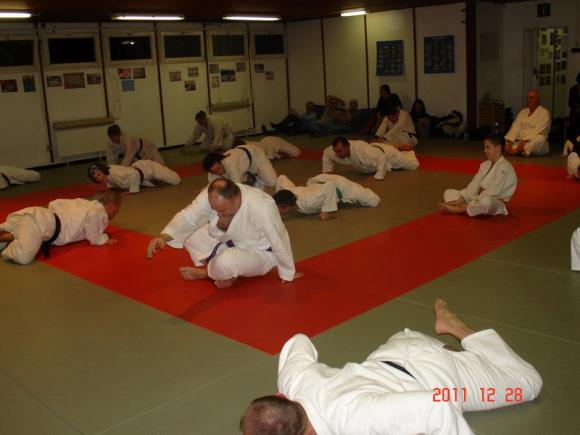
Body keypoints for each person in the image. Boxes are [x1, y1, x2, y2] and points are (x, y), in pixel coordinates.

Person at [240, 298, 542, 435]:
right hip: (397, 349)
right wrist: (282, 408)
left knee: (527, 385)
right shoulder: (295, 382)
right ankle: (450, 352)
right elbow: (298, 341)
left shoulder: (353, 420)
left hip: (441, 383)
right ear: (281, 396)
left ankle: (458, 330)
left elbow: (436, 408)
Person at [146, 178, 298, 288]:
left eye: (223, 210)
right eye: (215, 209)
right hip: (228, 243)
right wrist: (164, 237)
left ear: (236, 198)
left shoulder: (261, 206)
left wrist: (287, 273)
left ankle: (208, 273)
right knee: (189, 233)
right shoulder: (212, 195)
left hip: (259, 254)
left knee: (226, 262)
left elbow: (278, 237)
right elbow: (189, 217)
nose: (218, 214)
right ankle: (223, 273)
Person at [0, 191, 121, 265]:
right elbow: (94, 237)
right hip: (41, 224)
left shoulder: (85, 202)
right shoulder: (98, 212)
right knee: (23, 257)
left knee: (19, 228)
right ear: (111, 206)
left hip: (38, 213)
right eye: (117, 210)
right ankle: (5, 243)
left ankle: (5, 235)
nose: (117, 213)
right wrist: (104, 239)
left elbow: (55, 203)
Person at [439, 134, 517, 217]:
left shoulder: (504, 167)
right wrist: (462, 198)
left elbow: (493, 192)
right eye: (485, 147)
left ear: (498, 148)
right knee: (448, 192)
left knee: (486, 202)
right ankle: (468, 207)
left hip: (496, 203)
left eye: (488, 147)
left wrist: (474, 201)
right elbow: (474, 184)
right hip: (477, 198)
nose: (484, 150)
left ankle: (459, 209)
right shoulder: (485, 165)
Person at [274, 173, 380, 220]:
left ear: (287, 207)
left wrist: (326, 211)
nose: (277, 210)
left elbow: (330, 185)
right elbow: (281, 178)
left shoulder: (310, 201)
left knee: (374, 201)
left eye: (279, 207)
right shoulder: (289, 192)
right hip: (317, 182)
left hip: (340, 186)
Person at [322, 136, 420, 182]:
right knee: (372, 154)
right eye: (336, 151)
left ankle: (402, 149)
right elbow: (326, 153)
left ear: (347, 146)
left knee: (414, 165)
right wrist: (327, 172)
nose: (337, 154)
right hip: (373, 149)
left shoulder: (360, 148)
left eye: (340, 151)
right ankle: (396, 147)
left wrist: (378, 177)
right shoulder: (334, 151)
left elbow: (381, 157)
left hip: (388, 155)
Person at [202, 144, 277, 190]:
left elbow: (237, 186)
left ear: (220, 161)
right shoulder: (212, 170)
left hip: (254, 155)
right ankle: (246, 174)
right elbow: (212, 185)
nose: (219, 172)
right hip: (241, 161)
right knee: (226, 179)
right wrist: (204, 191)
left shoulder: (230, 163)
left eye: (219, 168)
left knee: (272, 182)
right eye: (215, 171)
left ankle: (257, 175)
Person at [505, 89, 551, 157]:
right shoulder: (523, 112)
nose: (529, 100)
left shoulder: (544, 112)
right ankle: (521, 150)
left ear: (538, 99)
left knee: (539, 139)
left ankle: (518, 150)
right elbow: (515, 126)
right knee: (507, 142)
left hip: (533, 139)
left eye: (531, 97)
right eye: (528, 98)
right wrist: (510, 141)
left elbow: (538, 129)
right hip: (520, 140)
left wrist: (525, 140)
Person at [88, 160, 181, 194]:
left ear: (103, 170)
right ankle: (156, 179)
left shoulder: (115, 173)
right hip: (142, 177)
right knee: (158, 183)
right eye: (96, 178)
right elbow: (112, 184)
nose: (99, 178)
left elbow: (135, 174)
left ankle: (162, 168)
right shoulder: (107, 176)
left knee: (176, 181)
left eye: (99, 174)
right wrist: (109, 189)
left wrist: (132, 191)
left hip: (148, 168)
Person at [234, 137, 301, 160]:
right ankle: (278, 154)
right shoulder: (246, 146)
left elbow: (269, 159)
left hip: (273, 142)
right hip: (265, 141)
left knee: (297, 153)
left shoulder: (252, 148)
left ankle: (278, 153)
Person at [567, 72, 580, 146]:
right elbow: (570, 103)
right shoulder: (573, 89)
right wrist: (576, 107)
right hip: (575, 111)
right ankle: (574, 140)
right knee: (575, 115)